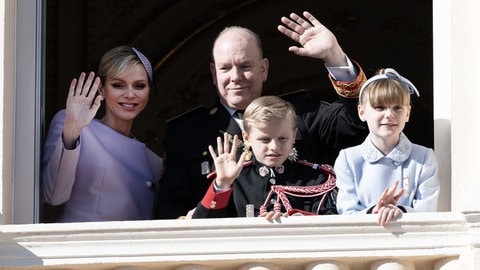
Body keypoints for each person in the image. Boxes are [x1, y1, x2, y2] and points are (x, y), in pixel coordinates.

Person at [156, 11, 368, 219]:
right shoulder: (186, 133)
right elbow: (169, 213)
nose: (235, 77)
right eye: (225, 68)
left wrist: (335, 57)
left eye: (245, 66)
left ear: (264, 69)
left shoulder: (301, 111)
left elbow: (359, 120)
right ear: (214, 73)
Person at [42, 46, 163, 222]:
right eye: (118, 85)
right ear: (101, 89)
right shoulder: (75, 126)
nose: (130, 94)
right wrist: (71, 133)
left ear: (148, 92)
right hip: (80, 247)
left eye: (139, 86)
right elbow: (53, 196)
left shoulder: (154, 163)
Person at [191, 96, 338, 220]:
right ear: (247, 138)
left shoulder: (315, 179)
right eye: (265, 140)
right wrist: (222, 184)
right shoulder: (237, 180)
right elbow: (200, 228)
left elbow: (333, 224)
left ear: (294, 136)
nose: (274, 146)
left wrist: (296, 220)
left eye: (282, 138)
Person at [334, 68, 440, 226]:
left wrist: (400, 211)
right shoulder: (348, 159)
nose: (389, 114)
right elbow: (347, 212)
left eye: (397, 108)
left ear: (408, 113)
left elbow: (427, 210)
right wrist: (375, 211)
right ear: (361, 112)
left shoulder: (424, 157)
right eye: (380, 107)